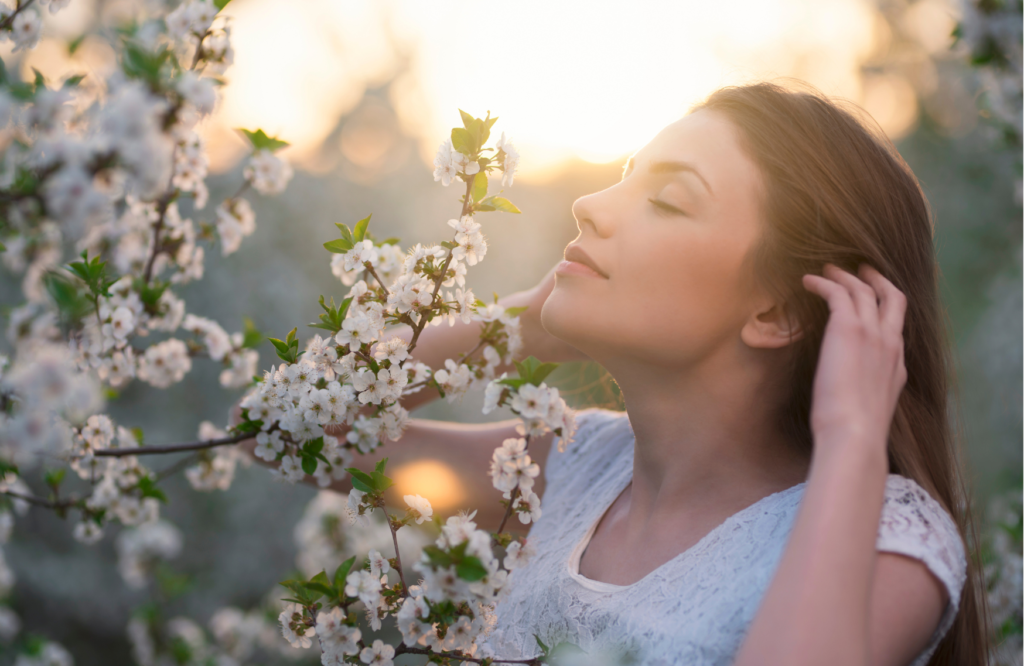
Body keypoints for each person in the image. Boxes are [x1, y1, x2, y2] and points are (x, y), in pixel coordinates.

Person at [245, 81, 989, 665]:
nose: (590, 205)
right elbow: (276, 427)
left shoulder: (885, 535)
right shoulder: (568, 470)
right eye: (624, 178)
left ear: (777, 313)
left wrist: (852, 439)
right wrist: (513, 330)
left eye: (667, 200)